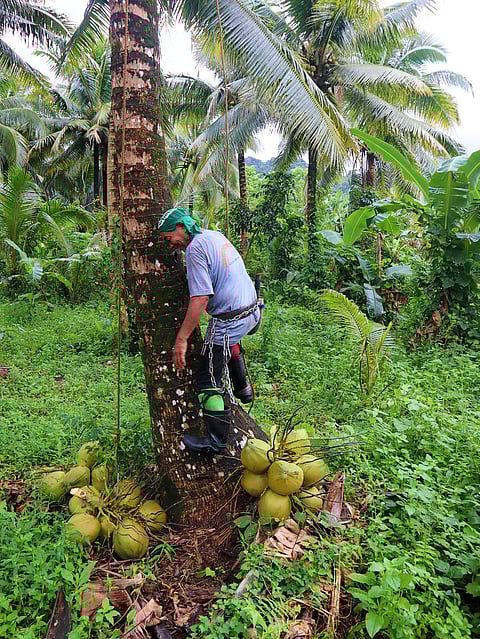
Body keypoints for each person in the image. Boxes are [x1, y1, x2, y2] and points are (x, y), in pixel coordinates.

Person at [158, 207, 260, 454]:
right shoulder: (213, 236)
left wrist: (181, 339)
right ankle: (243, 389)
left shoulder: (194, 250)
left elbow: (201, 299)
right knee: (228, 344)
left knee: (208, 377)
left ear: (181, 227)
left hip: (231, 319)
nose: (169, 243)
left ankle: (216, 442)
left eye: (168, 236)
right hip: (253, 310)